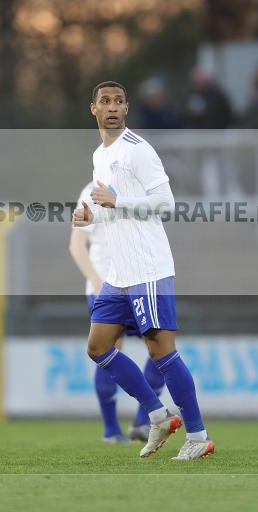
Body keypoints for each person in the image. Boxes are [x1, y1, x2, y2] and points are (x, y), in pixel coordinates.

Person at [72, 81, 214, 460]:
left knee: (160, 349)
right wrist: (91, 214)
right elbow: (110, 206)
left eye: (119, 101)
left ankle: (198, 436)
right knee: (98, 346)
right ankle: (156, 413)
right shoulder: (100, 155)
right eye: (105, 101)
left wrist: (118, 201)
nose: (113, 106)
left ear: (127, 108)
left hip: (147, 267)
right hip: (118, 273)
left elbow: (165, 203)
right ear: (94, 109)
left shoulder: (139, 150)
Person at [69, 182, 166, 444]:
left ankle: (143, 422)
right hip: (105, 285)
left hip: (139, 283)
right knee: (109, 349)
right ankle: (111, 430)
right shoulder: (91, 190)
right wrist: (97, 281)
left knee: (161, 345)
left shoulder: (139, 189)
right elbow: (77, 245)